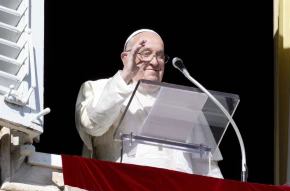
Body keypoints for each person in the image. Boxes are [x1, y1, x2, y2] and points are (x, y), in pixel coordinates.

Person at [75, 29, 223, 178]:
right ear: (126, 58)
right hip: (124, 186)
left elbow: (207, 164)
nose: (155, 62)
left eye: (159, 55)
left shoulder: (183, 101)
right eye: (146, 53)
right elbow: (92, 126)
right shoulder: (100, 88)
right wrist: (126, 75)